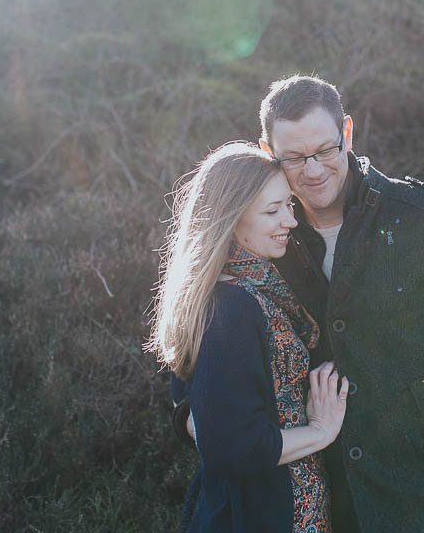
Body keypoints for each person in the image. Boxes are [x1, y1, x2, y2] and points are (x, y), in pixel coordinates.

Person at [175, 75, 424, 533]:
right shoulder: (266, 237)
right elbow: (197, 345)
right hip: (332, 503)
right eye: (294, 157)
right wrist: (204, 422)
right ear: (267, 151)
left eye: (326, 150)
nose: (313, 170)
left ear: (347, 133)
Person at [149, 141, 350, 533]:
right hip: (260, 513)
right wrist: (320, 431)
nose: (289, 221)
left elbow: (191, 404)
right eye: (272, 211)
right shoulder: (232, 306)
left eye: (288, 205)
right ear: (231, 218)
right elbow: (233, 448)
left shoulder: (246, 285)